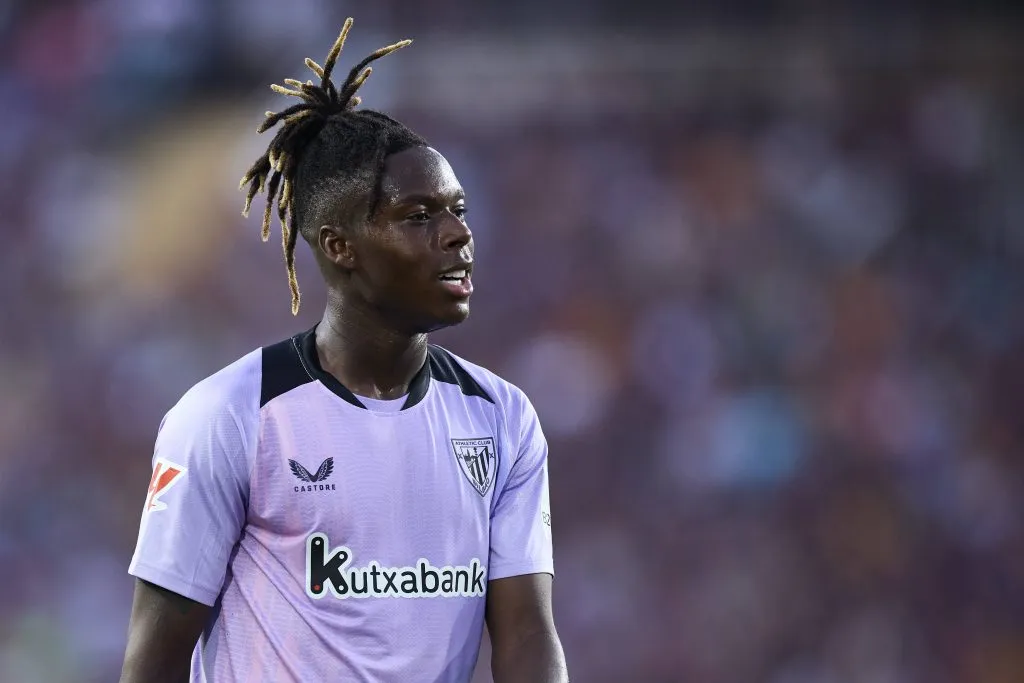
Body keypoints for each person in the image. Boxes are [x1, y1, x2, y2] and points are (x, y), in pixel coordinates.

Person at [118, 18, 567, 683]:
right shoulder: (229, 415)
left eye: (458, 209)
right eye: (419, 216)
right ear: (339, 245)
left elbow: (528, 633)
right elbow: (154, 658)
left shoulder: (502, 418)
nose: (457, 236)